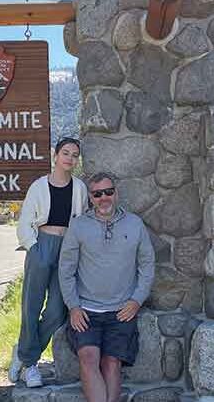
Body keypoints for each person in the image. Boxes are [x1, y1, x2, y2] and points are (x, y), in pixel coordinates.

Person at [59, 172, 155, 402]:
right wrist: (73, 306)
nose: (104, 198)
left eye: (108, 192)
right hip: (86, 310)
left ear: (116, 193)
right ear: (91, 198)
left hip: (122, 311)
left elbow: (147, 264)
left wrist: (136, 300)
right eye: (97, 193)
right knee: (88, 357)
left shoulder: (134, 224)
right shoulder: (79, 226)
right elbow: (65, 269)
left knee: (112, 363)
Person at [9, 137, 88, 387]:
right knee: (31, 306)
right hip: (42, 244)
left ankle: (23, 352)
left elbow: (82, 221)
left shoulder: (80, 188)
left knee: (57, 310)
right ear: (55, 155)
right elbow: (25, 223)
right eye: (66, 153)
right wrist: (34, 249)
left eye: (75, 155)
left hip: (67, 249)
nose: (70, 158)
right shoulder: (39, 186)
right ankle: (30, 365)